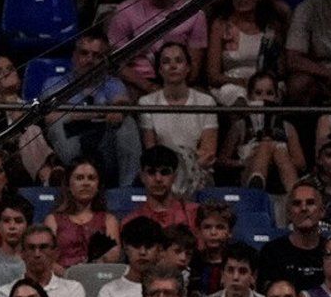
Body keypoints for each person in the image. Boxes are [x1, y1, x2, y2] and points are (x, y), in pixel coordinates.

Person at [45, 32, 142, 188]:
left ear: (104, 60)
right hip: (70, 142)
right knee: (58, 124)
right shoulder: (55, 84)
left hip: (104, 143)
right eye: (84, 53)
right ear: (74, 56)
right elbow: (50, 117)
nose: (89, 60)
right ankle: (74, 179)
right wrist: (99, 112)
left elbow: (122, 103)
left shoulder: (112, 83)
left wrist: (115, 111)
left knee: (127, 123)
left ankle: (127, 189)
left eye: (96, 55)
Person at [138, 46, 218, 197]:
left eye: (179, 61)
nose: (173, 66)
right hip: (162, 174)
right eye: (166, 62)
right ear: (160, 70)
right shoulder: (147, 102)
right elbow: (152, 152)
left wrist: (185, 172)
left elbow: (208, 153)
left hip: (198, 172)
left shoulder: (206, 102)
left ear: (188, 68)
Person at [45, 158, 121, 268]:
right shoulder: (52, 220)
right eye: (79, 178)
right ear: (68, 185)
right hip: (62, 280)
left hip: (98, 278)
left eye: (91, 178)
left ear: (98, 186)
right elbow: (48, 259)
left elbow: (112, 259)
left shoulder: (109, 220)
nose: (86, 183)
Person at [94, 216, 166, 297]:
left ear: (159, 249)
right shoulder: (109, 292)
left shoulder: (171, 291)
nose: (142, 252)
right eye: (136, 245)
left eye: (149, 246)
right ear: (125, 247)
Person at [257, 183, 327, 293]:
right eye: (297, 203)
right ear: (289, 213)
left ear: (322, 211)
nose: (303, 208)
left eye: (310, 203)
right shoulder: (272, 252)